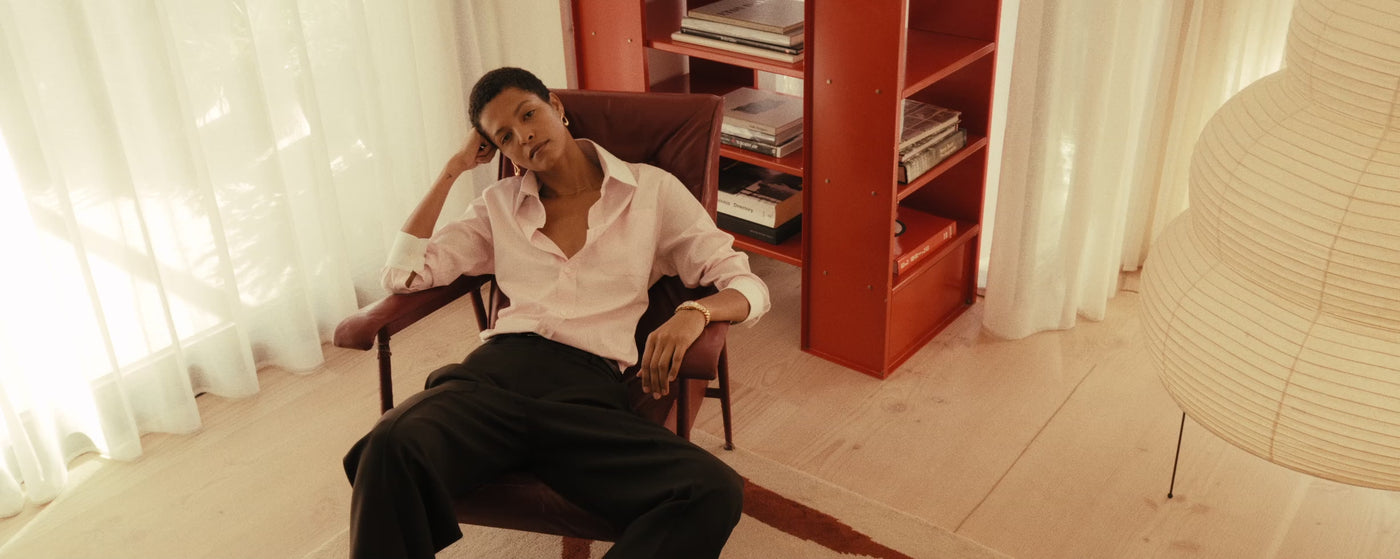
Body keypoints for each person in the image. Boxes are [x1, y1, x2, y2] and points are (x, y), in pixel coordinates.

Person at [342, 66, 771, 559]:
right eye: (505, 136)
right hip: (491, 381)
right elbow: (404, 275)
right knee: (389, 444)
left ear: (556, 107)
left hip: (585, 396)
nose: (523, 136)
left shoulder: (651, 191)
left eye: (528, 115)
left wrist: (695, 312)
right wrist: (453, 169)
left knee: (711, 489)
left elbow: (746, 286)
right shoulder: (498, 205)